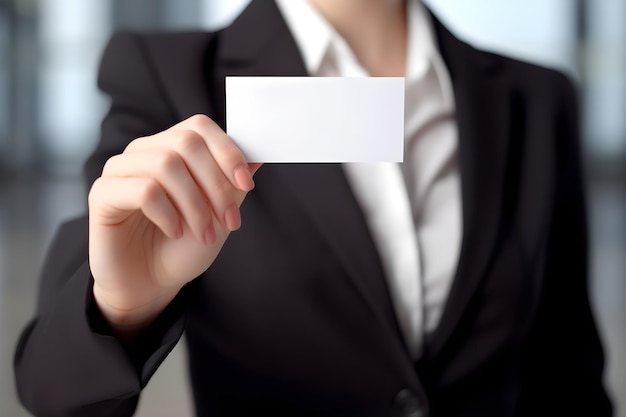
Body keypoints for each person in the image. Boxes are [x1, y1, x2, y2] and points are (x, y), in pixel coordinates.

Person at [14, 0, 613, 416]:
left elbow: (567, 379)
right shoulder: (169, 78)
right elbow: (54, 392)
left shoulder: (536, 100)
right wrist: (122, 307)